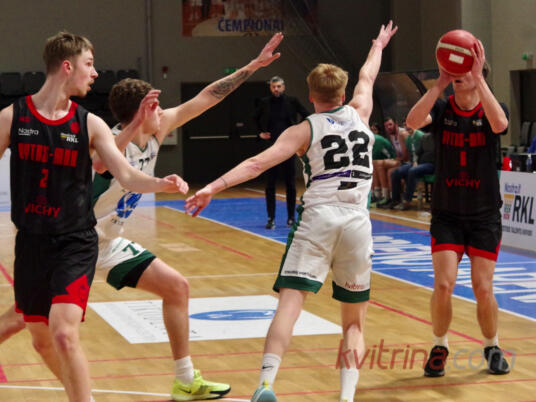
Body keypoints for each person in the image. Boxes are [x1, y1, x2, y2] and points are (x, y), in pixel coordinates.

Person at [0, 32, 284, 401]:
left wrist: (253, 66)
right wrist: (141, 141)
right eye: (155, 107)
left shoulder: (156, 129)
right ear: (141, 112)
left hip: (105, 243)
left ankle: (185, 379)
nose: (163, 112)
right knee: (27, 324)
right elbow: (101, 166)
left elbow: (205, 99)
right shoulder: (106, 137)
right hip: (72, 240)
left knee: (176, 287)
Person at [186, 22, 397, 402]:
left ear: (311, 95)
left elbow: (257, 164)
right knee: (354, 323)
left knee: (290, 305)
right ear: (343, 93)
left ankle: (266, 384)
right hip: (357, 222)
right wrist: (378, 45)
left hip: (319, 219)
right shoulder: (361, 114)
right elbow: (368, 76)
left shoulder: (304, 129)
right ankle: (346, 397)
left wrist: (212, 187)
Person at [0, 31, 184, 402]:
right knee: (41, 340)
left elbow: (126, 175)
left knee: (64, 333)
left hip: (75, 242)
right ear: (67, 67)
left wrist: (161, 183)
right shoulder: (12, 117)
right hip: (31, 243)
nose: (95, 73)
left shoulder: (90, 124)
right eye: (89, 64)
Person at [406, 38, 510, 377]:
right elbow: (412, 121)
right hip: (447, 214)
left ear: (479, 72)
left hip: (484, 216)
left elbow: (500, 125)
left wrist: (477, 78)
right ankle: (440, 345)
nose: (458, 75)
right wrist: (438, 84)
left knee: (483, 287)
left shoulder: (494, 107)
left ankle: (492, 345)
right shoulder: (441, 108)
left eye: (465, 70)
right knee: (443, 284)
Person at [254, 75, 309, 229]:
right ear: (270, 87)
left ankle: (291, 217)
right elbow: (254, 118)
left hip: (288, 148)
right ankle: (271, 218)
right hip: (271, 147)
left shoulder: (292, 101)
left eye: (278, 86)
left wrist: (298, 131)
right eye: (273, 87)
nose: (276, 89)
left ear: (283, 87)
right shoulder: (264, 103)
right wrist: (260, 132)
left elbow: (306, 115)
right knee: (270, 184)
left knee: (290, 183)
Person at [389, 129, 435, 210]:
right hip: (419, 162)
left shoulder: (440, 139)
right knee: (396, 172)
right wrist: (415, 161)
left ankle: (407, 201)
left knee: (413, 171)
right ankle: (396, 200)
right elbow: (418, 153)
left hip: (432, 164)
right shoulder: (425, 137)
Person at [373, 116, 409, 207]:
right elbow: (397, 154)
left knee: (380, 163)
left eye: (390, 124)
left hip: (408, 162)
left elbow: (406, 156)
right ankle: (383, 195)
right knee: (377, 164)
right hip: (400, 161)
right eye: (386, 126)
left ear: (396, 124)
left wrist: (396, 160)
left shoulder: (402, 133)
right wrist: (395, 159)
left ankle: (387, 197)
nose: (388, 127)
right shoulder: (392, 135)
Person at [371, 133, 396, 203]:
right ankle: (375, 194)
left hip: (393, 159)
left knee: (376, 163)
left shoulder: (377, 140)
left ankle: (385, 196)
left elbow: (375, 156)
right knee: (374, 164)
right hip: (384, 160)